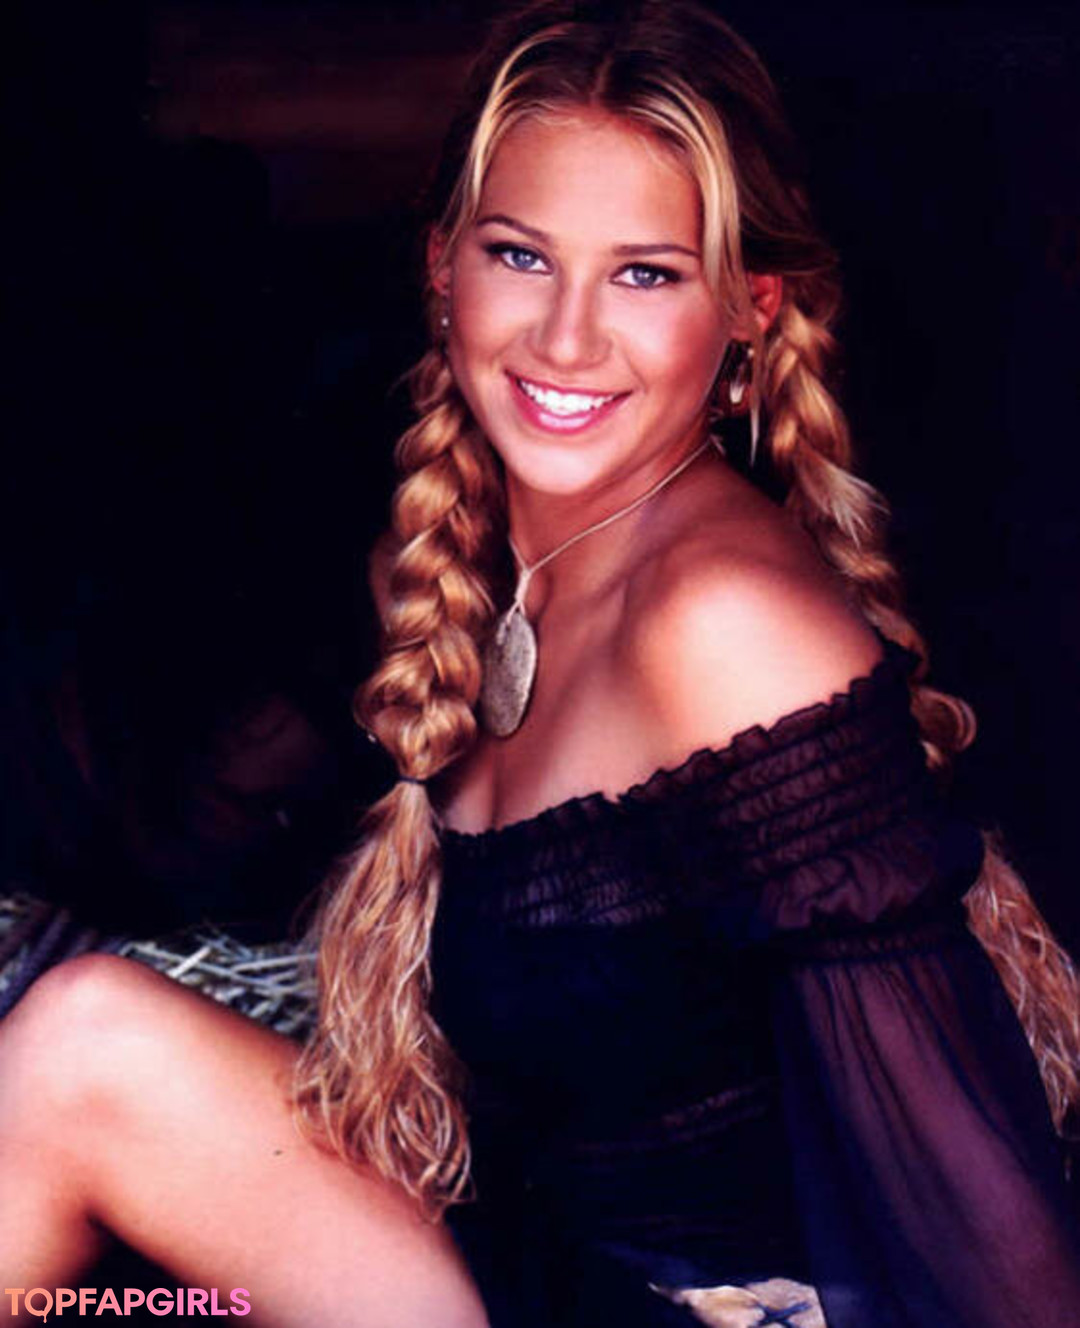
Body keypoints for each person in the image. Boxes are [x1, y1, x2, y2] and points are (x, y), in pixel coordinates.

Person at [2, 2, 1078, 1325]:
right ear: (442, 267)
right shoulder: (469, 570)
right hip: (551, 1263)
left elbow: (978, 1213)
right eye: (521, 255)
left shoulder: (721, 619)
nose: (566, 340)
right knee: (85, 1036)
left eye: (647, 275)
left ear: (751, 310)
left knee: (83, 1061)